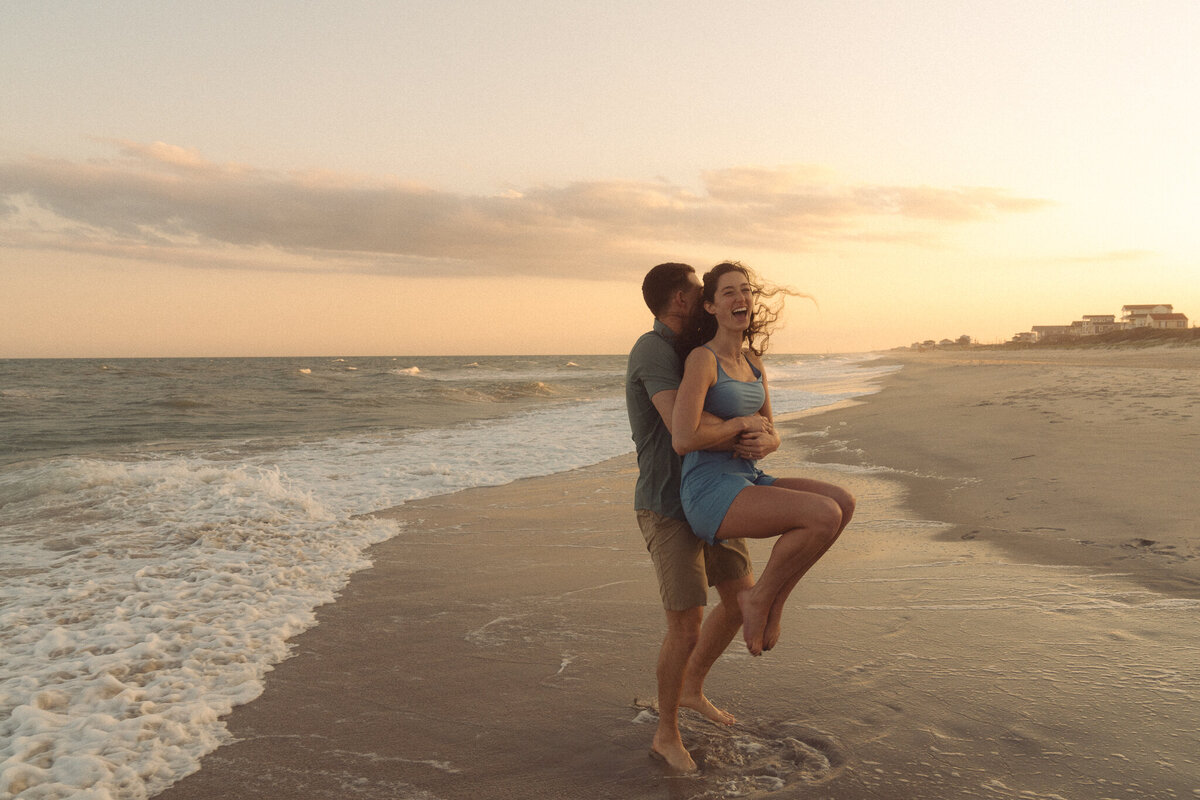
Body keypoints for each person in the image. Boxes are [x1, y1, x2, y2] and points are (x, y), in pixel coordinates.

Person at [625, 262, 780, 773]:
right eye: (699, 291)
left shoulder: (711, 352)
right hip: (669, 503)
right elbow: (679, 424)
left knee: (739, 600)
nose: (709, 297)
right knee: (686, 624)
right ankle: (665, 733)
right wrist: (744, 424)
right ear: (679, 302)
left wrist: (762, 433)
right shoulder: (655, 350)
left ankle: (691, 689)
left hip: (715, 490)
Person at [672, 261, 855, 657]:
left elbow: (772, 430)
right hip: (710, 488)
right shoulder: (703, 361)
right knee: (823, 515)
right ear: (710, 307)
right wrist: (739, 424)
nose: (742, 298)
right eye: (729, 292)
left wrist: (769, 443)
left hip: (748, 476)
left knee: (843, 502)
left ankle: (774, 599)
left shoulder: (754, 360)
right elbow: (683, 438)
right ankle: (759, 599)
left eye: (746, 290)